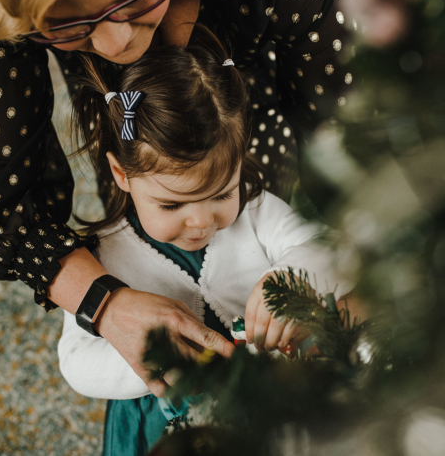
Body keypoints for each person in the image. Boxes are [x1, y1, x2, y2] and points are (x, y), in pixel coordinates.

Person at [0, 0, 355, 396]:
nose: (117, 46)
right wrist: (106, 306)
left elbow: (353, 117)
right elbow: (5, 211)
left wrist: (344, 292)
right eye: (67, 24)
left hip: (258, 148)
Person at [57, 33, 354, 454]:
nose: (200, 221)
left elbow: (328, 250)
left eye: (220, 194)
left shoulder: (257, 211)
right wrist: (153, 356)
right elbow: (75, 361)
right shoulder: (101, 258)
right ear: (122, 175)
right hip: (163, 423)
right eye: (172, 204)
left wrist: (291, 280)